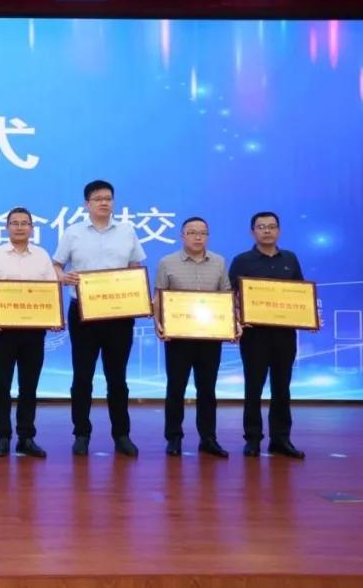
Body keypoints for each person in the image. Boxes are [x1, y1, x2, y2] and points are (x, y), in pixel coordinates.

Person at [53, 180, 146, 457]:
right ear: (87, 204)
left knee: (117, 378)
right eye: (98, 199)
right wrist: (63, 277)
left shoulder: (127, 231)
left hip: (119, 315)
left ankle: (122, 435)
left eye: (108, 198)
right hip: (83, 313)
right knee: (82, 376)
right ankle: (81, 433)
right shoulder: (73, 232)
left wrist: (136, 292)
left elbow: (135, 266)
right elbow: (56, 265)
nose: (104, 203)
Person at [0, 207, 57, 459]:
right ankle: (2, 436)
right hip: (3, 331)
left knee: (29, 386)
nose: (20, 227)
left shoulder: (42, 256)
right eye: (15, 223)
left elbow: (51, 291)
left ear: (32, 228)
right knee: (2, 386)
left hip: (33, 332)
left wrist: (54, 317)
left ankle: (26, 437)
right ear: (7, 227)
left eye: (25, 223)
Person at [228, 211, 307, 459]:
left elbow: (301, 293)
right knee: (253, 388)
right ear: (252, 232)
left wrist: (309, 316)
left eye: (272, 226)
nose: (267, 231)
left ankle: (281, 439)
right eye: (261, 227)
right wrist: (237, 315)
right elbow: (229, 296)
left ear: (279, 231)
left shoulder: (290, 259)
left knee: (282, 388)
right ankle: (253, 439)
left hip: (285, 335)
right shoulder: (242, 261)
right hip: (254, 336)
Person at [153, 217, 232, 458]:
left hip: (210, 337)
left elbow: (226, 296)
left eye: (203, 233)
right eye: (192, 232)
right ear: (182, 236)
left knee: (207, 389)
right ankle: (174, 438)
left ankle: (208, 438)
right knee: (175, 388)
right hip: (178, 338)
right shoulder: (167, 262)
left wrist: (231, 325)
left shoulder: (219, 262)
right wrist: (158, 323)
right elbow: (159, 297)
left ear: (208, 236)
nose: (198, 237)